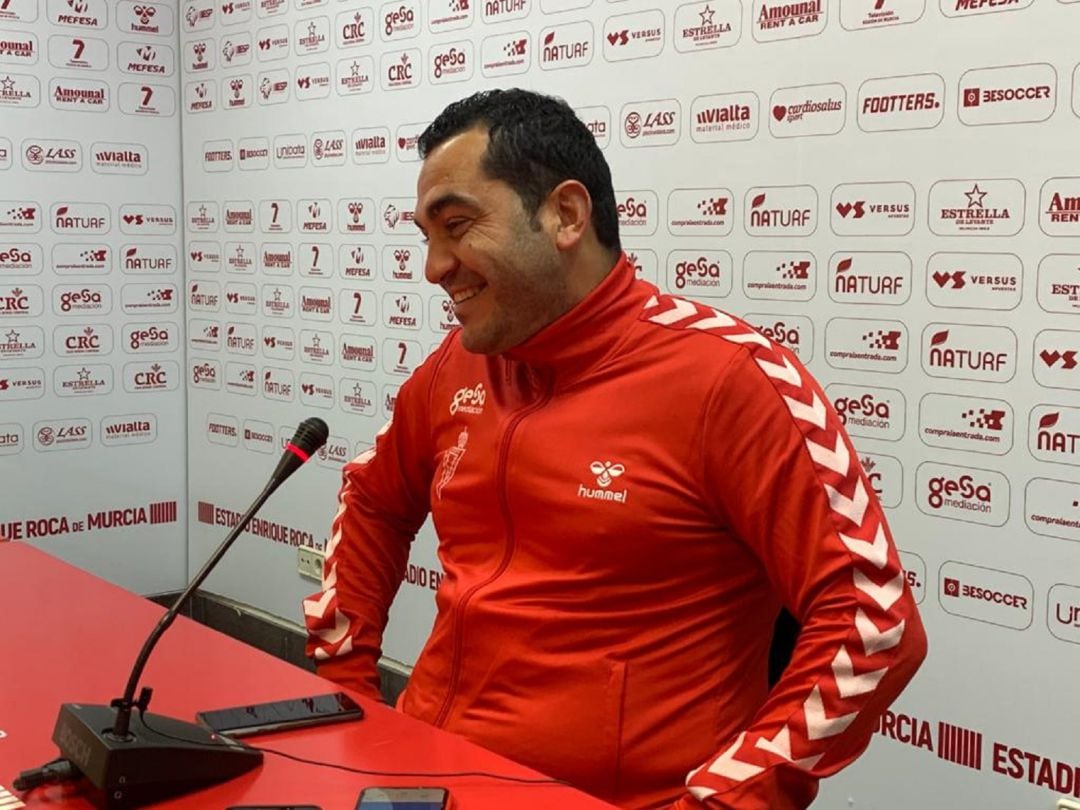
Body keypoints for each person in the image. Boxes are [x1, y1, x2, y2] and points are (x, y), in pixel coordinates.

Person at [303, 88, 927, 810]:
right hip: (420, 775)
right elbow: (374, 501)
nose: (435, 266)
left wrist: (727, 800)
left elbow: (872, 620)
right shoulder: (456, 367)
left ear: (566, 214)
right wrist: (345, 688)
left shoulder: (730, 380)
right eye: (426, 236)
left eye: (458, 225)